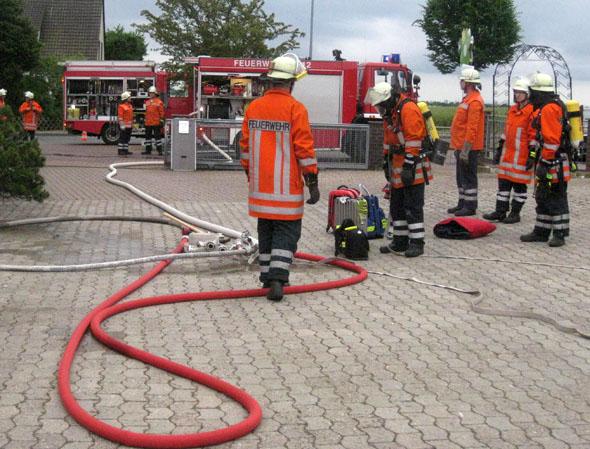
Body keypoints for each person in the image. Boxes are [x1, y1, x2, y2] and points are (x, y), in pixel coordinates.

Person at [239, 53, 319, 302]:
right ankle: (278, 278)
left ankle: (266, 277)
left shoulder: (254, 107)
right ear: (291, 83)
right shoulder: (296, 108)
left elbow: (244, 147)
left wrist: (250, 173)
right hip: (287, 189)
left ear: (271, 81)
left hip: (260, 187)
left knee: (266, 232)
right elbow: (304, 150)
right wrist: (313, 182)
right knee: (287, 233)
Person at [365, 82, 432, 258]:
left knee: (413, 206)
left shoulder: (408, 109)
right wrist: (385, 162)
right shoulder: (391, 114)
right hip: (397, 165)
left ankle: (417, 242)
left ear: (388, 100)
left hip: (413, 166)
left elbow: (414, 139)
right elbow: (388, 139)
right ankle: (400, 241)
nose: (379, 109)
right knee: (397, 206)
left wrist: (409, 166)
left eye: (380, 105)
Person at [520, 73, 571, 247]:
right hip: (550, 159)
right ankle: (541, 231)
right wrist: (533, 155)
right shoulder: (551, 106)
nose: (531, 95)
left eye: (532, 91)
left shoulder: (549, 109)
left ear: (538, 92)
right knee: (543, 196)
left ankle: (559, 233)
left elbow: (551, 140)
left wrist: (544, 163)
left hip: (552, 161)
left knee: (555, 196)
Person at [483, 78, 535, 224]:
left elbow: (533, 137)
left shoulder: (531, 112)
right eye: (516, 92)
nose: (518, 95)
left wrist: (531, 156)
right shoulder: (512, 110)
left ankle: (515, 213)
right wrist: (499, 149)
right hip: (508, 156)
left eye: (521, 92)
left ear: (527, 94)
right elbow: (506, 133)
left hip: (521, 157)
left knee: (519, 186)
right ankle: (500, 212)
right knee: (503, 186)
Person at [447, 65, 485, 216]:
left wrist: (466, 150)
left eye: (462, 81)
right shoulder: (469, 99)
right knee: (461, 177)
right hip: (461, 145)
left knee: (468, 177)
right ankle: (462, 202)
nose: (460, 83)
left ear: (468, 83)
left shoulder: (474, 101)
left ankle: (470, 206)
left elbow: (472, 128)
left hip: (468, 148)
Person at [142, 86, 165, 155]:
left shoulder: (159, 102)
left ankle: (159, 150)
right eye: (150, 93)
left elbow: (162, 112)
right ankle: (148, 150)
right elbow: (146, 113)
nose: (151, 94)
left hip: (156, 122)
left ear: (155, 94)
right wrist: (144, 121)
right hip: (148, 122)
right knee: (148, 138)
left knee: (157, 138)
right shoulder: (147, 102)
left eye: (152, 93)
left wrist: (161, 120)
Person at [117, 91, 134, 156]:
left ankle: (125, 150)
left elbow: (131, 116)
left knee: (127, 139)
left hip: (129, 126)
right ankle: (120, 151)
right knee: (122, 139)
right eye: (129, 97)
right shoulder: (121, 106)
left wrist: (132, 124)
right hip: (124, 126)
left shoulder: (130, 106)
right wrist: (122, 125)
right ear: (126, 98)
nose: (130, 98)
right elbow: (120, 117)